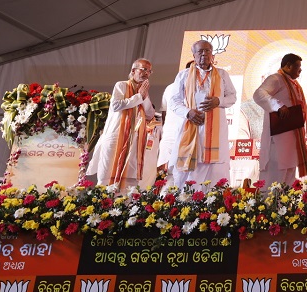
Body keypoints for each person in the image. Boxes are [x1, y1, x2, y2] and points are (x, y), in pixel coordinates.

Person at [169, 40, 237, 188]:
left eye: (207, 51)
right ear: (193, 55)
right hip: (192, 130)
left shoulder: (222, 74)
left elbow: (232, 97)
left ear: (212, 54)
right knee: (189, 174)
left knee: (216, 172)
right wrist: (188, 113)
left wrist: (218, 101)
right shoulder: (183, 75)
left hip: (216, 134)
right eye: (200, 51)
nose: (204, 54)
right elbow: (174, 102)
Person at [87, 59, 157, 190]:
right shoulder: (121, 85)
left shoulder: (143, 92)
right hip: (116, 137)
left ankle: (122, 207)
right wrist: (138, 96)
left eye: (149, 71)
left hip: (134, 140)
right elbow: (116, 105)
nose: (146, 73)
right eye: (143, 69)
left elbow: (149, 115)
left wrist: (144, 96)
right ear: (133, 71)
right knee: (106, 176)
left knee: (129, 179)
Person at [254, 54, 307, 186]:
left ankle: (285, 206)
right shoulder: (276, 78)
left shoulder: (294, 84)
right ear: (288, 66)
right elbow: (258, 94)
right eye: (297, 66)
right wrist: (278, 105)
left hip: (292, 138)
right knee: (275, 177)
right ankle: (270, 206)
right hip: (278, 139)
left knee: (289, 176)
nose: (300, 70)